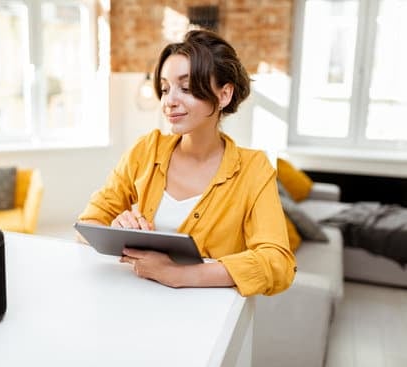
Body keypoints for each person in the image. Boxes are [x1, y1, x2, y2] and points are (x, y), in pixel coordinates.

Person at [78, 29, 295, 297]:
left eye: (186, 87)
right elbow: (88, 224)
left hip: (210, 316)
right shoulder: (146, 150)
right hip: (139, 302)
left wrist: (179, 274)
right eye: (166, 88)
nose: (169, 101)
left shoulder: (254, 169)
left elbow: (277, 263)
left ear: (224, 94)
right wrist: (117, 232)